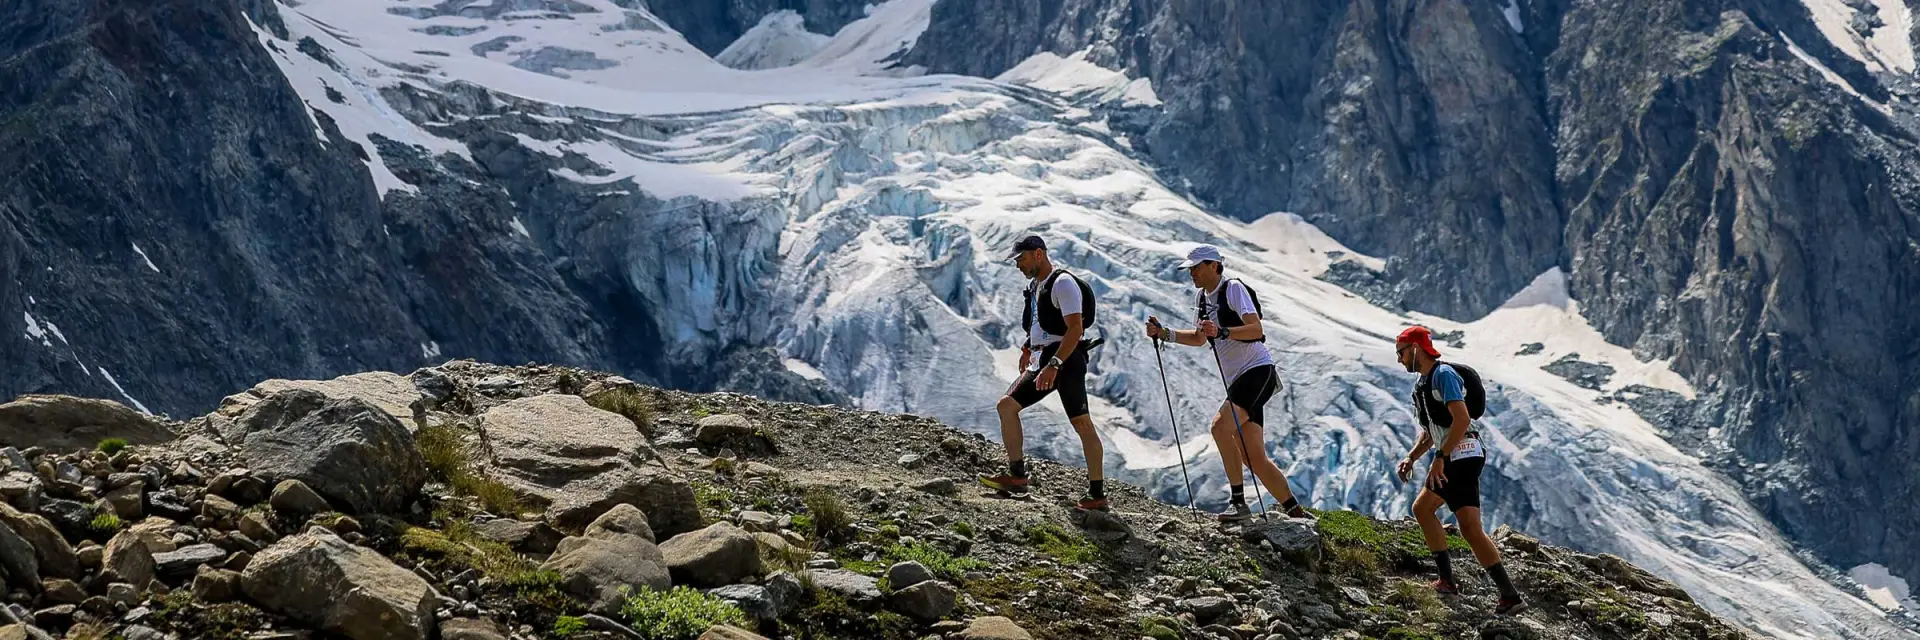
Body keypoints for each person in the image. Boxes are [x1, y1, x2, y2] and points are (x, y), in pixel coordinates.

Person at [1145, 245, 1310, 522]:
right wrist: (1165, 334)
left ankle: (1238, 504)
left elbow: (1256, 330)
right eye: (1190, 269)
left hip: (1256, 371)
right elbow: (1200, 338)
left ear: (1213, 266)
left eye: (1196, 268)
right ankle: (1296, 512)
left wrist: (1222, 331)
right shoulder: (1201, 298)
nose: (1191, 274)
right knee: (1253, 457)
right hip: (1247, 378)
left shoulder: (1232, 288)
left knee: (1220, 427)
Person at [1393, 325, 1527, 615]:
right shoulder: (1424, 385)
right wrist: (1412, 457)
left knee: (1424, 510)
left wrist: (1440, 457)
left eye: (1401, 352)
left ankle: (1448, 581)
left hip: (1461, 454)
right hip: (1462, 455)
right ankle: (1508, 595)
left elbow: (1462, 419)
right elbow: (1431, 432)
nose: (1400, 359)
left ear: (1415, 348)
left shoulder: (1443, 376)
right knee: (1468, 527)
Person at [978, 235, 1111, 511]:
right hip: (1044, 358)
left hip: (1066, 358)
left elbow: (1075, 329)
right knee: (1006, 406)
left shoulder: (1063, 283)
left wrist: (1055, 365)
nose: (1018, 265)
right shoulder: (1035, 286)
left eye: (1021, 258)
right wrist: (1029, 347)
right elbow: (1040, 324)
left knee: (1082, 424)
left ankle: (1097, 494)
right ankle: (1016, 476)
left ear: (1038, 254)